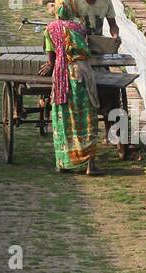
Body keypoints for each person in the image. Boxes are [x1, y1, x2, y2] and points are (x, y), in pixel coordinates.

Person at [40, 1, 102, 176]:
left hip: (63, 77)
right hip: (84, 74)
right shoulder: (80, 27)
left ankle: (64, 162)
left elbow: (51, 60)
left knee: (64, 118)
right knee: (87, 117)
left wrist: (50, 64)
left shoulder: (50, 29)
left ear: (56, 13)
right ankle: (90, 165)